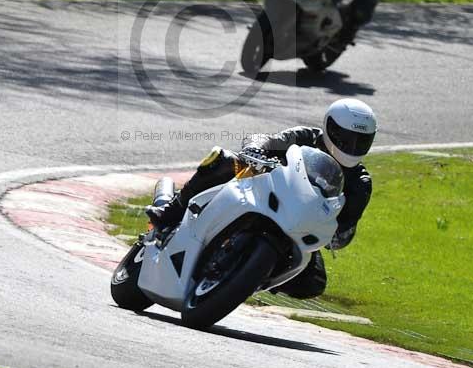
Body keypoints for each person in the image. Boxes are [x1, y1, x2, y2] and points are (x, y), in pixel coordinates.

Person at [146, 98, 376, 299]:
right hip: (262, 192)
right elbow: (264, 138)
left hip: (299, 224)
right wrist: (256, 149)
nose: (352, 146)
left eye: (361, 141)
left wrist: (336, 232)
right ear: (330, 128)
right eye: (346, 138)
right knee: (224, 160)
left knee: (313, 282)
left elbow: (344, 228)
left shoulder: (360, 183)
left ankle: (248, 278)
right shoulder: (305, 136)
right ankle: (170, 210)